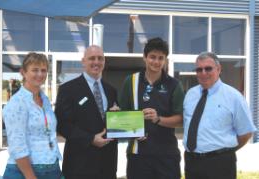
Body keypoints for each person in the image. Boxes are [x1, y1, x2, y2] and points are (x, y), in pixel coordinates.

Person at [183, 52, 257, 179]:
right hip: (191, 162)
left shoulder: (234, 97)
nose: (203, 73)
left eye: (208, 68)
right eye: (199, 69)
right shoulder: (190, 94)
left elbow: (246, 133)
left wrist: (223, 152)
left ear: (219, 69)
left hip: (220, 164)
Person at [119, 37, 184, 179]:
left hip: (167, 155)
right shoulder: (131, 81)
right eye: (152, 57)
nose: (156, 62)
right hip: (138, 155)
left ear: (165, 60)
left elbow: (180, 120)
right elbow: (121, 115)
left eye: (161, 58)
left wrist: (158, 119)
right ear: (144, 57)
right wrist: (125, 122)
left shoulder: (174, 84)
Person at [55, 45, 119, 179]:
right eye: (92, 58)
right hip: (79, 165)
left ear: (104, 62)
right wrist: (90, 139)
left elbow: (113, 125)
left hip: (107, 165)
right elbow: (62, 125)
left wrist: (122, 121)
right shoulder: (68, 89)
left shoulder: (111, 90)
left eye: (100, 58)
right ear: (83, 61)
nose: (96, 62)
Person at [3, 52, 62, 179]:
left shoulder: (44, 99)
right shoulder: (17, 103)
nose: (40, 74)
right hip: (25, 172)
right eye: (35, 70)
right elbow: (17, 146)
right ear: (23, 72)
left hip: (52, 168)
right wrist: (31, 177)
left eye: (43, 70)